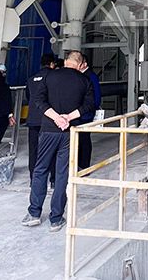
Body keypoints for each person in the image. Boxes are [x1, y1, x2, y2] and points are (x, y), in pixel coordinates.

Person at [22, 50, 94, 232]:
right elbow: (88, 105)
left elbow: (38, 100)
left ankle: (34, 214)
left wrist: (56, 118)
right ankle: (55, 218)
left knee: (40, 169)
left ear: (66, 61)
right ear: (80, 64)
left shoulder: (50, 76)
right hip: (69, 131)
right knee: (62, 173)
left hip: (48, 130)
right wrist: (67, 118)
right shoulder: (84, 81)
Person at [26, 53, 60, 187]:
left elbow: (29, 97)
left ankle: (34, 180)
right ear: (52, 64)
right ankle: (53, 180)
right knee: (52, 150)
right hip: (49, 119)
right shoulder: (53, 77)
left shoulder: (31, 79)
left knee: (34, 151)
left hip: (33, 119)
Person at [77, 52, 102, 170]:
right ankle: (79, 163)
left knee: (84, 139)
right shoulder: (82, 75)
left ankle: (84, 165)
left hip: (86, 113)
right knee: (80, 139)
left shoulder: (90, 76)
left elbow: (96, 96)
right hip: (80, 113)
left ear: (84, 64)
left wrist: (93, 108)